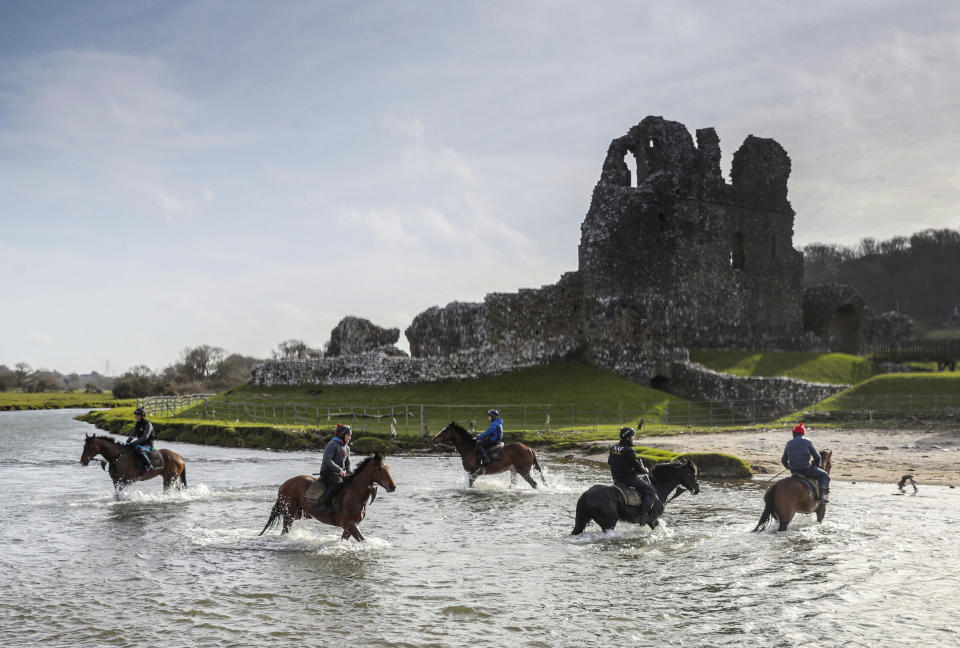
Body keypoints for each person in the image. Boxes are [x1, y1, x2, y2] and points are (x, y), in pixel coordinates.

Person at [608, 426, 659, 515]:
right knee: (651, 491)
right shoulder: (629, 450)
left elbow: (610, 462)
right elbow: (637, 467)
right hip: (628, 478)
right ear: (628, 438)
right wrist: (645, 470)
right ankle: (643, 515)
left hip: (616, 477)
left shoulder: (614, 447)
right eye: (632, 436)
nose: (634, 438)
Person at [781, 421, 830, 503]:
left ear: (794, 434)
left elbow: (783, 460)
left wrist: (790, 467)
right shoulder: (807, 442)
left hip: (794, 471)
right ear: (802, 434)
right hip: (806, 470)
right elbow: (817, 457)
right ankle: (822, 496)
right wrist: (817, 466)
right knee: (825, 475)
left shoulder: (789, 443)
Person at [317, 424, 352, 509]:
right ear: (342, 435)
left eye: (350, 435)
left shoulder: (347, 448)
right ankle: (323, 503)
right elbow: (327, 460)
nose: (350, 438)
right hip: (328, 472)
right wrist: (339, 470)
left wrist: (350, 473)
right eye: (348, 435)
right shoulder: (332, 444)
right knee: (338, 483)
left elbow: (347, 464)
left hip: (340, 474)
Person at [126, 407, 155, 473]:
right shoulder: (137, 424)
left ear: (142, 416)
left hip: (148, 444)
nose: (136, 417)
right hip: (140, 444)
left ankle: (149, 465)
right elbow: (133, 434)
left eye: (137, 415)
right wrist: (128, 441)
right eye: (135, 415)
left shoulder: (148, 424)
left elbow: (145, 437)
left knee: (139, 450)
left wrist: (134, 442)